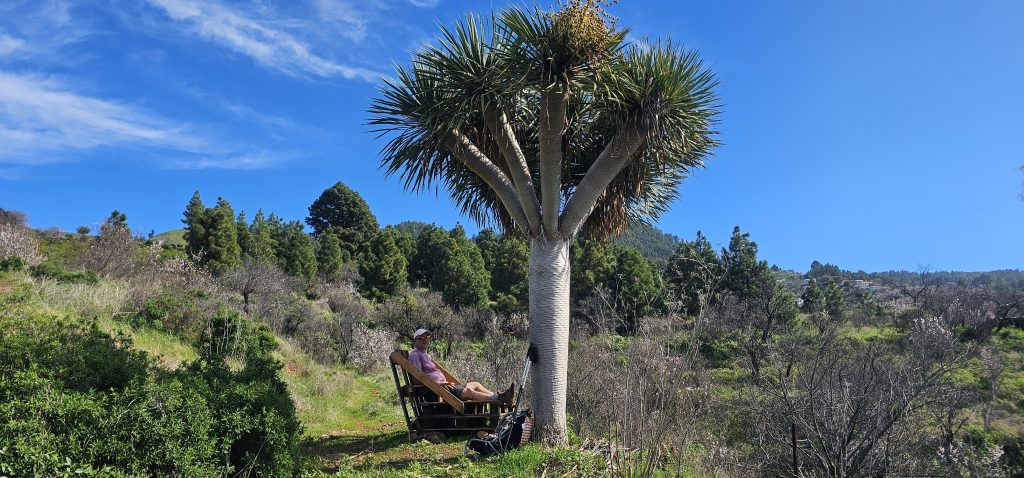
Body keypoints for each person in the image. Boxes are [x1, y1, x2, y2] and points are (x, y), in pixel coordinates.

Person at [408, 328, 515, 404]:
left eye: (427, 338)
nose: (425, 340)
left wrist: (444, 383)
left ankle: (499, 396)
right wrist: (441, 383)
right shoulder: (415, 355)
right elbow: (417, 380)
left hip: (444, 388)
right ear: (415, 340)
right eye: (422, 338)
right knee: (469, 392)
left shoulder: (425, 354)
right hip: (435, 391)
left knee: (475, 384)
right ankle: (499, 399)